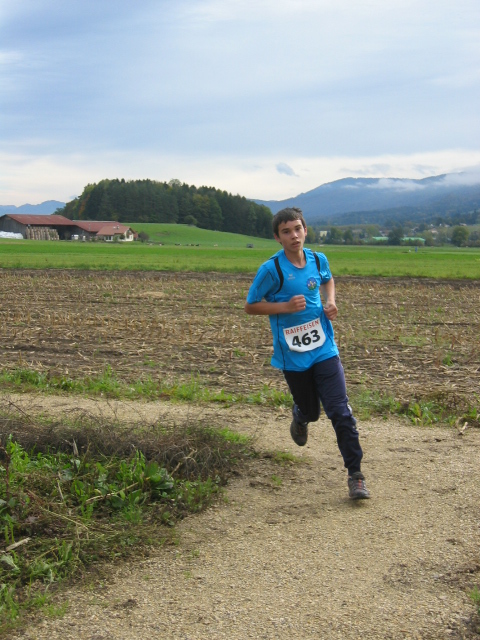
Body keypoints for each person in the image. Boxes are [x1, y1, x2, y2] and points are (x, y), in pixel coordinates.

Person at [244, 207, 370, 500]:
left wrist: (331, 301)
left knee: (340, 412)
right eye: (286, 231)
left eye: (297, 229)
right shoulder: (271, 270)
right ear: (277, 237)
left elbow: (327, 279)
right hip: (293, 355)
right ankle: (300, 416)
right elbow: (250, 306)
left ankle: (356, 476)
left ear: (305, 230)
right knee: (312, 412)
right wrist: (284, 307)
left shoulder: (317, 259)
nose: (294, 235)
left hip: (324, 348)